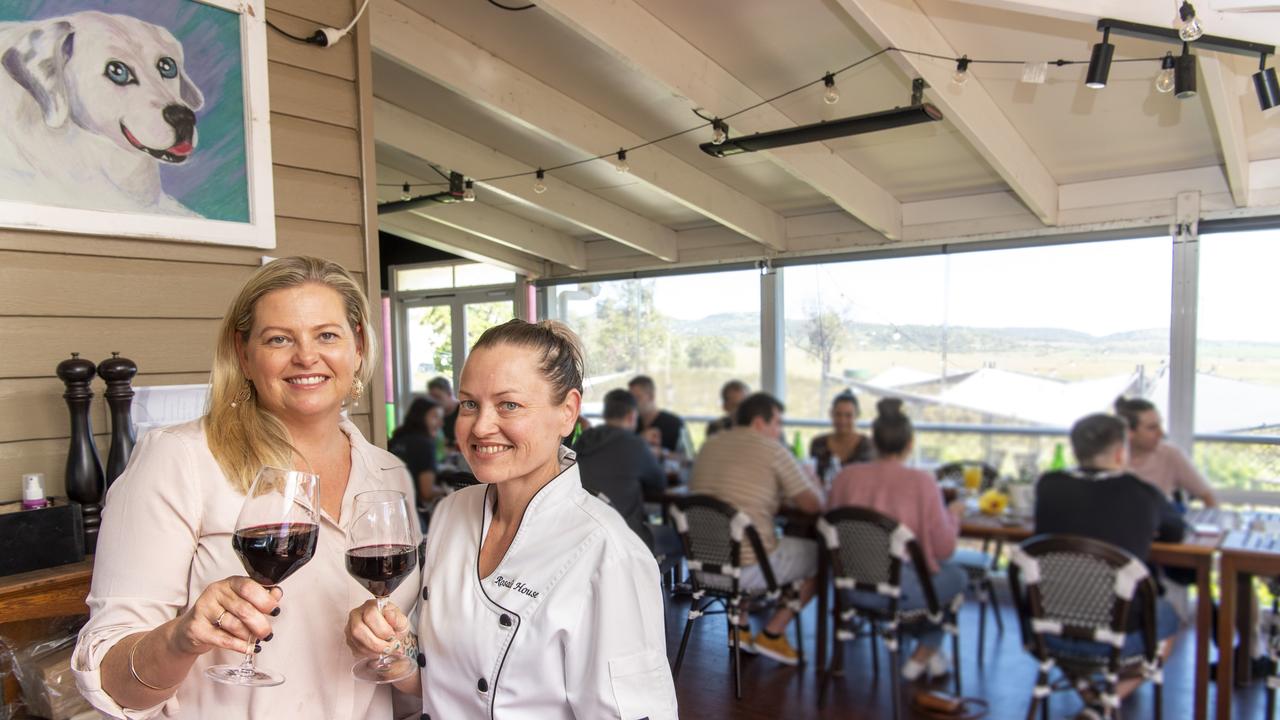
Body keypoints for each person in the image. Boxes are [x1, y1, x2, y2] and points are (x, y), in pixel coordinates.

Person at [72, 256, 420, 720]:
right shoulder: (178, 458)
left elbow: (410, 673)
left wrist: (398, 652)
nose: (306, 357)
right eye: (279, 339)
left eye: (327, 335)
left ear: (357, 347)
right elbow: (113, 682)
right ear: (243, 353)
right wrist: (183, 637)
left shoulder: (389, 474)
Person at [346, 320, 677, 719]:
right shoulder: (453, 512)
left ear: (567, 412)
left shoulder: (609, 555)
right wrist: (395, 650)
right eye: (469, 403)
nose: (482, 426)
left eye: (509, 404)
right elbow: (441, 679)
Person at [1034, 413, 1185, 710]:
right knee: (1170, 616)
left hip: (1046, 630)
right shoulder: (1142, 494)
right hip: (1115, 634)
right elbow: (1175, 531)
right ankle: (1107, 702)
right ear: (1120, 452)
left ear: (1076, 451)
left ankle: (1090, 695)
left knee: (1074, 616)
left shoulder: (1048, 485)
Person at [828, 398, 966, 681]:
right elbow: (945, 549)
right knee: (958, 579)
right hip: (899, 589)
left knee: (930, 595)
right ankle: (924, 652)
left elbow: (830, 522)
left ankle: (931, 654)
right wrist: (953, 516)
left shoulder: (845, 477)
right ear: (910, 443)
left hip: (849, 590)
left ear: (873, 441)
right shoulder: (922, 482)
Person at [689, 392, 823, 666]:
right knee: (822, 558)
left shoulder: (710, 445)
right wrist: (809, 477)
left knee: (744, 534)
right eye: (777, 424)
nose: (779, 431)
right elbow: (813, 505)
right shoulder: (773, 450)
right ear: (761, 423)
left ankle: (741, 626)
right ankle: (773, 633)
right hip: (749, 569)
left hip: (702, 565)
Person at [574, 388, 673, 554]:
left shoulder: (584, 439)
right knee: (673, 537)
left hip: (584, 535)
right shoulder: (636, 445)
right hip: (626, 538)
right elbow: (660, 483)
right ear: (632, 415)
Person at [1115, 396, 1218, 508]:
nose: (1161, 433)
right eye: (1152, 428)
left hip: (1161, 523)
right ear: (1129, 432)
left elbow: (1207, 495)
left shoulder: (1170, 454)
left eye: (1160, 425)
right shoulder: (1106, 458)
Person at [389, 395, 445, 526]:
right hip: (411, 516)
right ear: (421, 417)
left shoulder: (395, 440)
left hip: (390, 512)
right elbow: (426, 491)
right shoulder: (425, 445)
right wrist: (447, 491)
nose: (441, 423)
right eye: (435, 417)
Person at [809, 389, 875, 483]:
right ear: (831, 414)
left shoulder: (868, 445)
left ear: (857, 416)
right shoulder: (818, 443)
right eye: (838, 415)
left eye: (848, 415)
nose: (842, 420)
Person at [628, 374, 685, 456]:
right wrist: (640, 439)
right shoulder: (630, 424)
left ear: (652, 397)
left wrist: (662, 453)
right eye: (631, 399)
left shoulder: (674, 424)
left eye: (637, 398)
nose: (633, 404)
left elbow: (688, 459)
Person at [427, 376, 460, 449]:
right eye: (431, 398)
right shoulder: (433, 414)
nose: (434, 402)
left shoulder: (464, 411)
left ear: (449, 394)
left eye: (437, 397)